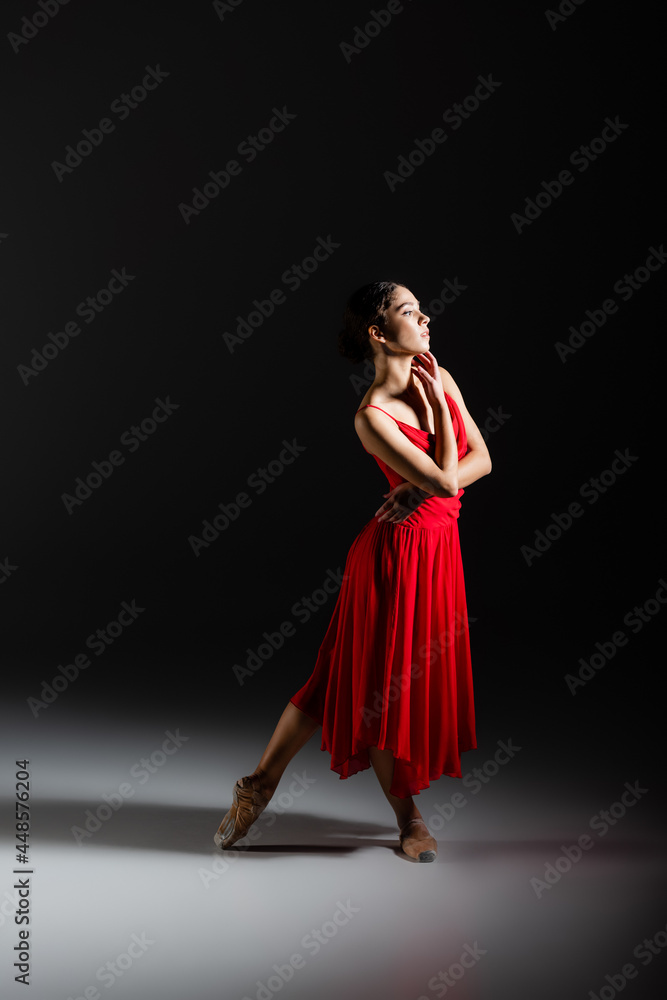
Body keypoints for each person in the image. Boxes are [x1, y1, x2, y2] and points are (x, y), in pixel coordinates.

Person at [215, 280, 492, 862]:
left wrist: (421, 485)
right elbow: (447, 479)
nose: (425, 319)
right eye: (410, 312)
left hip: (437, 553)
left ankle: (258, 783)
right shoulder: (372, 416)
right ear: (378, 332)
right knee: (385, 690)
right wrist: (437, 429)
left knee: (336, 678)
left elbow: (482, 460)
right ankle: (409, 819)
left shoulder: (440, 375)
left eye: (420, 310)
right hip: (395, 559)